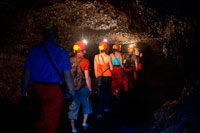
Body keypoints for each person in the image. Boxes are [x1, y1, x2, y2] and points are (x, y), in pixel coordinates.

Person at [21, 23, 74, 133]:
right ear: (56, 36)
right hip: (54, 90)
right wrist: (71, 93)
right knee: (51, 120)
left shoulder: (34, 50)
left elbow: (26, 74)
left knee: (38, 119)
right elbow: (67, 76)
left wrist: (23, 93)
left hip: (36, 89)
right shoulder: (62, 52)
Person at [68, 41, 93, 133]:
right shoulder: (85, 61)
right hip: (84, 87)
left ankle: (73, 129)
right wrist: (90, 90)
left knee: (73, 107)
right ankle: (84, 124)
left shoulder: (70, 60)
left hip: (72, 88)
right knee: (86, 104)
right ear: (83, 51)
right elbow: (87, 77)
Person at [94, 41, 113, 119]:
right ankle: (106, 107)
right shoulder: (108, 57)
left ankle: (99, 113)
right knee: (107, 92)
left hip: (100, 77)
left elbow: (95, 68)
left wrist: (97, 78)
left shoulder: (96, 57)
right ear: (106, 48)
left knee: (100, 95)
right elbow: (111, 68)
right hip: (108, 77)